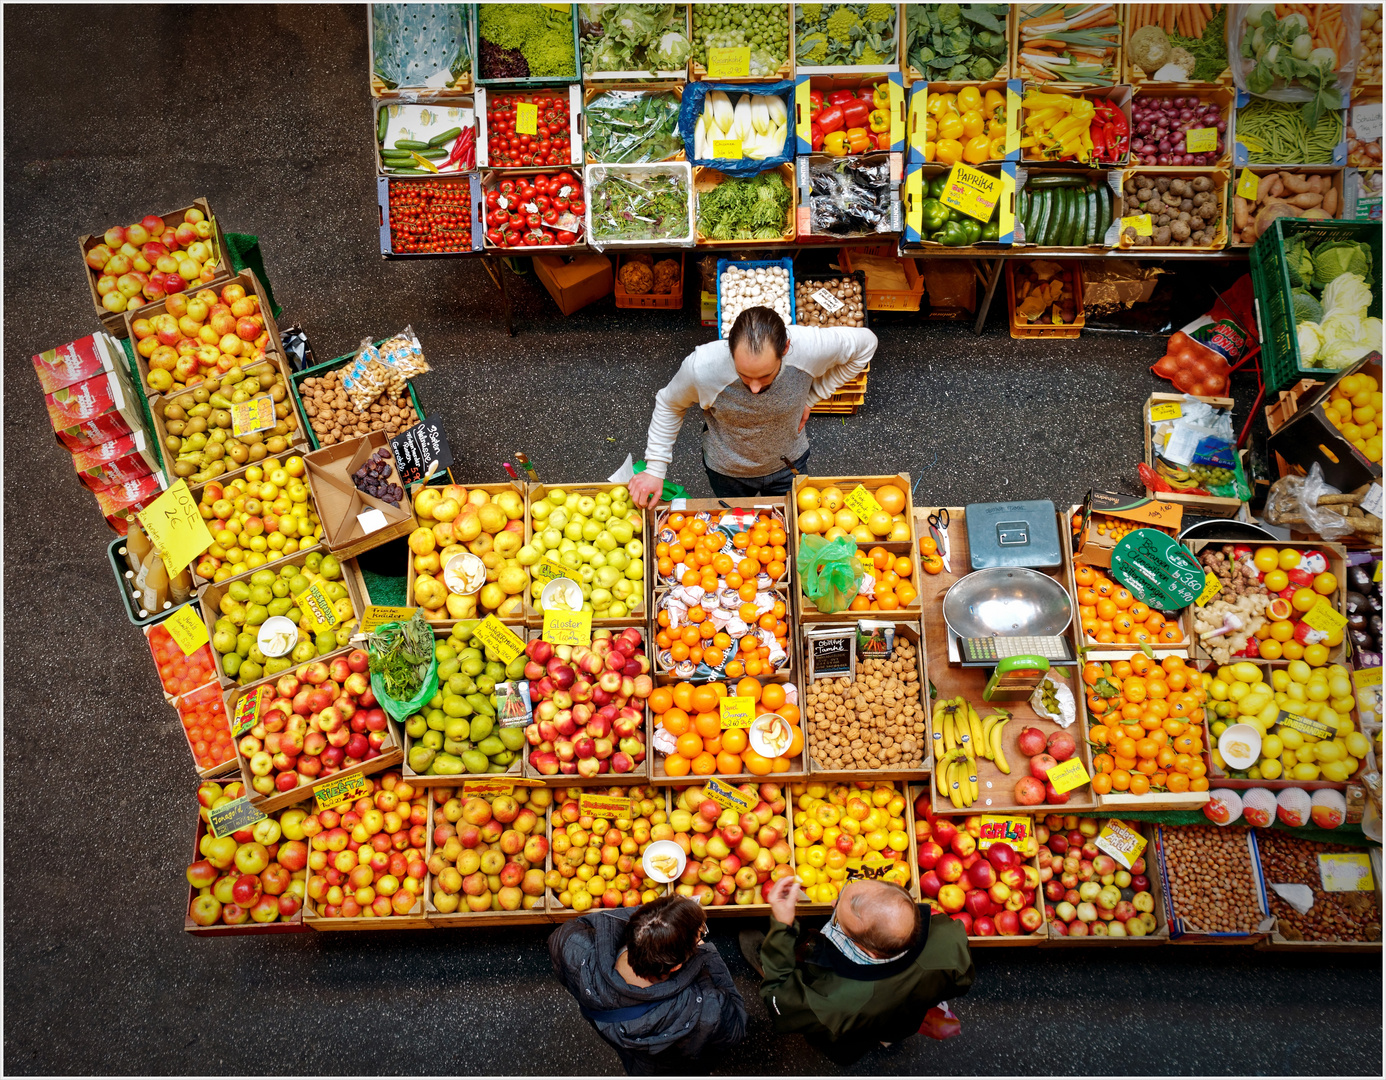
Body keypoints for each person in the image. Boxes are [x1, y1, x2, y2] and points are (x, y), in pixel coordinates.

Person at [627, 307, 877, 505]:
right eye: (744, 375)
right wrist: (655, 469)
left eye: (765, 376)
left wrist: (813, 397)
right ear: (730, 351)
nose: (755, 389)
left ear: (785, 350)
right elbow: (669, 404)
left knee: (792, 525)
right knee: (738, 532)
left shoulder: (809, 348)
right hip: (727, 471)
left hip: (788, 463)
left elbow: (866, 344)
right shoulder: (703, 367)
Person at [739, 875, 973, 1066]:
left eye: (838, 915)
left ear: (866, 949)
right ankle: (887, 1038)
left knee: (846, 1046)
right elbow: (963, 982)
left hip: (849, 1033)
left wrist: (782, 928)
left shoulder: (834, 1004)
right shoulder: (949, 940)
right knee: (891, 1028)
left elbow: (780, 999)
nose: (832, 904)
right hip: (903, 1020)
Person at [549, 894, 746, 1075]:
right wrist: (708, 957)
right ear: (676, 966)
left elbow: (581, 926)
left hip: (615, 1032)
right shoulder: (700, 1007)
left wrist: (656, 924)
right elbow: (735, 1027)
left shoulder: (572, 943)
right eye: (700, 935)